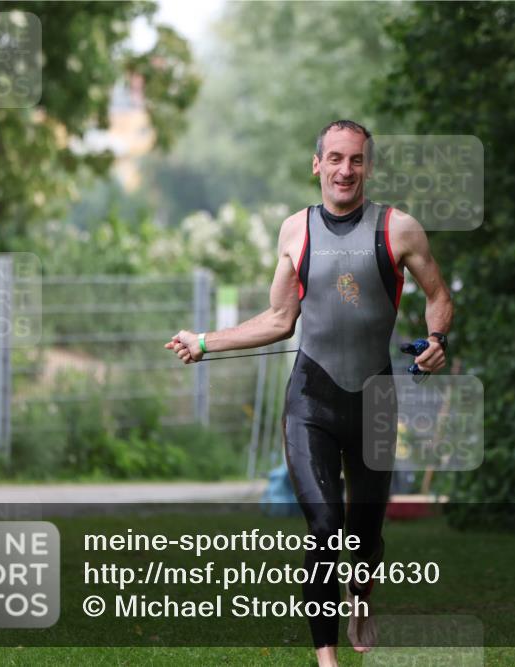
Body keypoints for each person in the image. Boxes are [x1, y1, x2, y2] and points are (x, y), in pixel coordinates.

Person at [165, 119, 453, 667]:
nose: (346, 170)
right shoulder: (295, 232)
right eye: (336, 159)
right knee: (324, 527)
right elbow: (279, 319)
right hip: (311, 402)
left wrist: (435, 338)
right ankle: (326, 658)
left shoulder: (398, 229)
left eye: (357, 160)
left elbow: (438, 296)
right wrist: (206, 341)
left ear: (367, 166)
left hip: (374, 404)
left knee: (365, 536)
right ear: (316, 164)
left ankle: (361, 598)